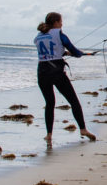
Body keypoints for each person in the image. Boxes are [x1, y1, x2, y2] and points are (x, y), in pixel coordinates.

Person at [34, 12, 96, 144]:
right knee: (73, 101)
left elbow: (52, 50)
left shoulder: (38, 36)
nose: (62, 24)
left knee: (50, 103)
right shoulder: (59, 34)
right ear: (56, 22)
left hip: (42, 72)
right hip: (56, 72)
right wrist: (80, 54)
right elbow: (75, 51)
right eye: (61, 21)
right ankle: (83, 129)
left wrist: (65, 53)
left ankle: (49, 135)